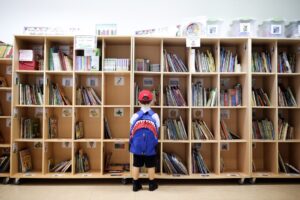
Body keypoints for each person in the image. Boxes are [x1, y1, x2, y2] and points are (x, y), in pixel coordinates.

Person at [129, 89, 160, 192]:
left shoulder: (135, 116)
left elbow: (131, 129)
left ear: (138, 102)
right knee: (151, 165)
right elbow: (158, 129)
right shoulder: (155, 116)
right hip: (150, 146)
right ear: (151, 101)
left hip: (137, 145)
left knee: (136, 164)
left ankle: (135, 184)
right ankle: (151, 185)